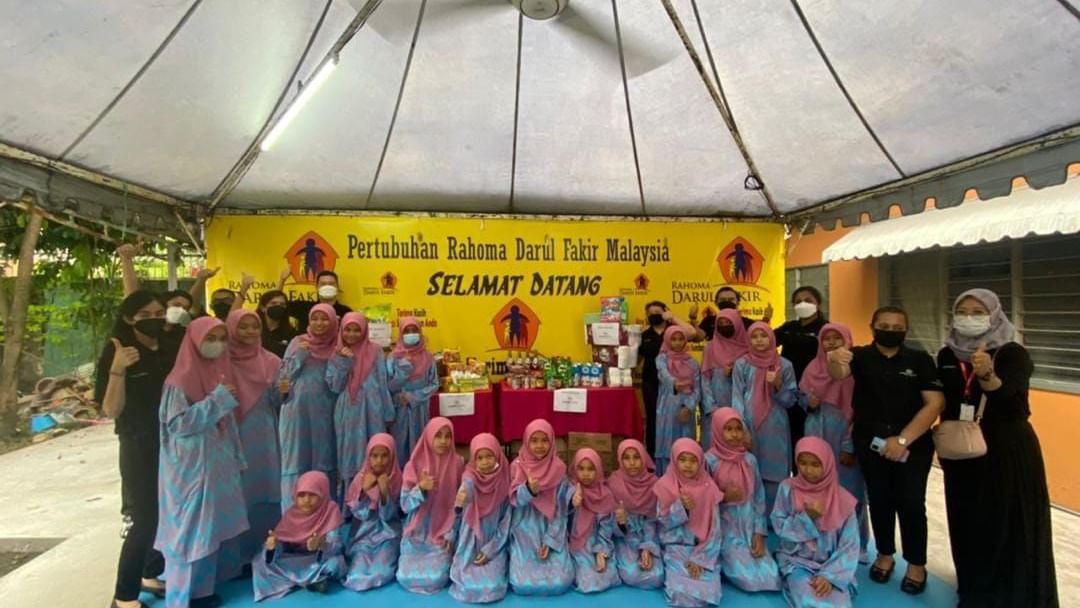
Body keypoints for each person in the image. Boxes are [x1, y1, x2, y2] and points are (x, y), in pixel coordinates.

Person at [937, 289, 1058, 607]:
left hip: (1005, 449)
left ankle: (1012, 597)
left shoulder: (1012, 352)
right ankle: (975, 591)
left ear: (994, 314)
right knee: (968, 521)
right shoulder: (947, 355)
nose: (969, 317)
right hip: (961, 451)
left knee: (1007, 525)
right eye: (962, 310)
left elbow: (1011, 399)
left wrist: (987, 373)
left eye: (978, 311)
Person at [827, 305, 944, 595]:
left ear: (905, 329)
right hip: (871, 440)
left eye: (896, 327)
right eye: (884, 326)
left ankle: (916, 563)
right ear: (872, 326)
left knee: (911, 502)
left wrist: (902, 440)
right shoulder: (862, 356)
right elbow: (839, 373)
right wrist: (834, 359)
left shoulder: (919, 359)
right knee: (879, 499)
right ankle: (885, 554)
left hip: (912, 442)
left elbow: (935, 403)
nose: (890, 331)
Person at [155, 317, 248, 607]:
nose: (217, 344)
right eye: (211, 338)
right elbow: (178, 424)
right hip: (189, 469)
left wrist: (235, 455)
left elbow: (226, 421)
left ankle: (203, 590)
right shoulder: (179, 381)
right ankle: (182, 596)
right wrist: (216, 401)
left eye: (222, 337)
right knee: (190, 530)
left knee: (211, 528)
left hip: (214, 461)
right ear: (194, 340)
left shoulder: (217, 373)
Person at [97, 291, 172, 608]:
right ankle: (123, 596)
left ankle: (149, 573)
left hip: (169, 442)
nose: (154, 318)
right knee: (142, 520)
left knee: (162, 515)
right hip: (138, 444)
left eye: (159, 312)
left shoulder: (167, 347)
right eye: (145, 314)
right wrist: (118, 369)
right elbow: (111, 410)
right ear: (129, 318)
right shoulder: (119, 352)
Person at [216, 310, 285, 581]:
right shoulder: (219, 363)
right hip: (229, 433)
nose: (248, 332)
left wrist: (283, 394)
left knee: (265, 491)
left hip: (263, 434)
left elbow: (279, 402)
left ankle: (264, 552)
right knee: (235, 494)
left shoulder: (272, 361)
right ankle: (232, 559)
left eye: (253, 327)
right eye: (242, 327)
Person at [798, 323, 869, 562]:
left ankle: (856, 543)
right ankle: (823, 539)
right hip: (816, 431)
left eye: (836, 338)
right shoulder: (812, 367)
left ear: (847, 340)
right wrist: (809, 402)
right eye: (825, 338)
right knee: (817, 488)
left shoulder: (856, 370)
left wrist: (849, 445)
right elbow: (801, 398)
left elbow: (860, 410)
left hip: (844, 434)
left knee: (850, 491)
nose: (830, 343)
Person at [771, 437, 860, 608]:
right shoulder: (787, 488)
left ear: (827, 464)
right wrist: (807, 517)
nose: (808, 470)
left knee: (839, 604)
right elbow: (779, 526)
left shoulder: (842, 499)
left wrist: (829, 576)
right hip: (797, 561)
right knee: (808, 599)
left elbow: (850, 545)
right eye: (803, 463)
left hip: (833, 565)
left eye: (815, 464)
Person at [704, 408, 780, 592]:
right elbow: (703, 500)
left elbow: (759, 499)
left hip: (749, 528)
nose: (734, 434)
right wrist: (723, 496)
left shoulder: (749, 460)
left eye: (738, 429)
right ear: (717, 430)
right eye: (728, 429)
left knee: (771, 577)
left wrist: (759, 533)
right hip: (724, 532)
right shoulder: (709, 461)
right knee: (748, 579)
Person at [278, 304, 341, 506]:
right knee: (297, 458)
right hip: (297, 412)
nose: (319, 323)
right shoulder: (298, 342)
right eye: (315, 319)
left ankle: (324, 513)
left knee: (324, 459)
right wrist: (300, 356)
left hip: (326, 410)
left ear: (333, 322)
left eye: (325, 319)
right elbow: (284, 376)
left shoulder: (338, 346)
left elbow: (339, 382)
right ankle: (293, 514)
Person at [732, 322, 798, 514]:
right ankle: (751, 519)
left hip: (775, 424)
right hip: (749, 422)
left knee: (774, 472)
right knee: (748, 470)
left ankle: (773, 518)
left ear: (772, 338)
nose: (759, 340)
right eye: (754, 336)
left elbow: (791, 400)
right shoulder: (742, 364)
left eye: (764, 335)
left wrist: (778, 385)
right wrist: (740, 427)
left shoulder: (784, 365)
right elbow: (737, 395)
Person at [252, 471, 346, 601]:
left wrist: (321, 544)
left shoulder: (330, 511)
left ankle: (313, 578)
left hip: (319, 559)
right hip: (296, 559)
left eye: (313, 494)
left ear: (323, 493)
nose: (306, 500)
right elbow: (282, 545)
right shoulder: (291, 515)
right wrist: (273, 547)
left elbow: (337, 546)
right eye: (301, 495)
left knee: (336, 563)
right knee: (259, 562)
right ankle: (314, 580)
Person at [327, 312, 394, 494]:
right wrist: (343, 361)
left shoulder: (376, 351)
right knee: (349, 452)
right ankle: (352, 500)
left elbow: (382, 381)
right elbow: (334, 386)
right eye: (348, 330)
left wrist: (388, 412)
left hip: (373, 407)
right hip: (348, 409)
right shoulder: (336, 353)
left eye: (357, 330)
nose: (352, 334)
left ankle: (375, 498)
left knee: (375, 451)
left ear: (364, 330)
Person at [396, 417, 465, 594]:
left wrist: (451, 533)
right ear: (428, 437)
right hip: (417, 533)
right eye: (438, 436)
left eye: (447, 436)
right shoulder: (414, 465)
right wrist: (421, 489)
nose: (443, 441)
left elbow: (461, 506)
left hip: (443, 534)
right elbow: (404, 505)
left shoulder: (457, 463)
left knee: (437, 577)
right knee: (405, 576)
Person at [654, 439, 725, 608]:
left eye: (693, 460)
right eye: (683, 459)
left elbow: (715, 529)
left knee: (710, 594)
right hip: (676, 547)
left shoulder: (709, 488)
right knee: (680, 594)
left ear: (700, 462)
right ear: (674, 460)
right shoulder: (665, 485)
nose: (688, 465)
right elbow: (662, 523)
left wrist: (701, 558)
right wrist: (681, 508)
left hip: (703, 549)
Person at [507, 419, 575, 596]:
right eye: (534, 440)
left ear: (552, 441)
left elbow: (560, 508)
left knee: (561, 581)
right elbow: (513, 501)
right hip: (524, 526)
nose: (539, 446)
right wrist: (528, 490)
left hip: (552, 526)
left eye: (544, 440)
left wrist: (550, 541)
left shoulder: (558, 468)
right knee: (521, 583)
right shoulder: (517, 466)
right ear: (526, 441)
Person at [449, 433, 513, 603]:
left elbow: (506, 521)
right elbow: (466, 489)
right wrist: (462, 497)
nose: (485, 462)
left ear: (497, 455)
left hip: (495, 542)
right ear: (473, 460)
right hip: (470, 541)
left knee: (493, 585)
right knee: (466, 581)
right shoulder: (469, 476)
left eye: (489, 456)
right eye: (480, 458)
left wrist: (490, 550)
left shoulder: (504, 478)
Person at [637, 301, 700, 458]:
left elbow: (692, 333)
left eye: (657, 312)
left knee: (680, 420)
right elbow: (638, 359)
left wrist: (673, 318)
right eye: (650, 313)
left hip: (679, 389)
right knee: (653, 420)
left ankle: (684, 455)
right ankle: (654, 456)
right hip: (652, 383)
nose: (654, 315)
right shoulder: (644, 335)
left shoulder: (674, 331)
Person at [774, 286, 829, 462]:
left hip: (814, 393)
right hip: (787, 390)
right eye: (798, 302)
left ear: (818, 304)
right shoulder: (790, 327)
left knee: (812, 444)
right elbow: (765, 340)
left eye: (808, 300)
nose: (803, 304)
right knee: (791, 439)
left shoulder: (826, 329)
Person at [342, 434, 403, 592]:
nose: (379, 461)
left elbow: (390, 516)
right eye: (374, 456)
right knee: (356, 572)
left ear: (392, 456)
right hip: (362, 535)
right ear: (368, 456)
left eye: (384, 456)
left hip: (388, 535)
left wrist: (384, 493)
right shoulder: (360, 479)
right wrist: (363, 491)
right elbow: (358, 514)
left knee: (382, 571)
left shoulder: (396, 478)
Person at [607, 439, 663, 590]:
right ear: (620, 460)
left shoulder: (654, 484)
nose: (632, 463)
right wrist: (620, 523)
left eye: (636, 457)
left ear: (644, 458)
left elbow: (653, 520)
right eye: (626, 458)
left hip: (649, 535)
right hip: (624, 537)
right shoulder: (614, 483)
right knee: (631, 574)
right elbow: (606, 522)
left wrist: (647, 547)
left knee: (657, 576)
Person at [387, 316, 439, 465]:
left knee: (420, 444)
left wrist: (413, 396)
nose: (411, 334)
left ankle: (419, 483)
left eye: (414, 330)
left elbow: (434, 383)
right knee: (400, 445)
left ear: (420, 332)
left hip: (419, 409)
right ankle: (400, 482)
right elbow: (388, 386)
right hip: (399, 409)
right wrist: (404, 370)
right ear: (401, 334)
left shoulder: (428, 357)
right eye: (407, 331)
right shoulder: (393, 358)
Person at [568, 448, 620, 594]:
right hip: (577, 544)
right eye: (581, 468)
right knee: (587, 581)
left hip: (598, 542)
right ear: (574, 469)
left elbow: (606, 527)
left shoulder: (605, 494)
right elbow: (562, 519)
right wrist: (572, 503)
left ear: (598, 470)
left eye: (591, 469)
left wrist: (601, 551)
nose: (585, 474)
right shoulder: (571, 489)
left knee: (607, 574)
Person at [700, 309, 749, 450]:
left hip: (742, 406)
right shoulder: (710, 348)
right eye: (720, 323)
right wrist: (711, 407)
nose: (724, 325)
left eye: (728, 322)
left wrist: (736, 372)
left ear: (737, 324)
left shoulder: (748, 349)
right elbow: (705, 379)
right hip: (715, 406)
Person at [655, 326, 701, 475]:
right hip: (667, 407)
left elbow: (697, 389)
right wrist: (674, 383)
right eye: (673, 339)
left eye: (681, 339)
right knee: (667, 443)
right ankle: (666, 479)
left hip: (686, 408)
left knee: (686, 442)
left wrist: (689, 406)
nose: (677, 343)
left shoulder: (693, 362)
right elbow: (663, 374)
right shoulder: (662, 359)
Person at [278, 269, 352, 334]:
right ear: (316, 287)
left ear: (337, 287)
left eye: (331, 284)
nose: (327, 287)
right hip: (305, 349)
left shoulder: (346, 312)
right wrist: (282, 280)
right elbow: (277, 305)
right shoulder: (303, 307)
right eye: (323, 284)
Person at [694, 286, 773, 340]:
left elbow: (761, 336)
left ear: (738, 303)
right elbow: (698, 338)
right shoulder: (709, 320)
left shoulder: (746, 322)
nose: (727, 302)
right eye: (723, 300)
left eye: (731, 299)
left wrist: (766, 318)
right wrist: (693, 318)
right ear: (716, 303)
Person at [258, 290, 296, 358]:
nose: (278, 307)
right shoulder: (254, 331)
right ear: (263, 308)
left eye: (282, 304)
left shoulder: (292, 334)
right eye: (273, 303)